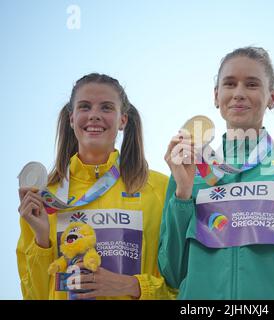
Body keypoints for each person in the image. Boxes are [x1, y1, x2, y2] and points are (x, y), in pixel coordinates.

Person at [158, 47, 274, 299]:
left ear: (272, 97)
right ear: (217, 96)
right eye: (229, 84)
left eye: (251, 84)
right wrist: (182, 194)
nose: (238, 93)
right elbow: (172, 272)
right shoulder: (188, 169)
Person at [17, 73, 176, 300]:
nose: (94, 116)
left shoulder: (159, 189)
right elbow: (35, 295)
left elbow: (179, 288)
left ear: (123, 120)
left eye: (106, 108)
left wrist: (132, 286)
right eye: (84, 107)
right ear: (72, 118)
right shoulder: (45, 196)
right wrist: (42, 240)